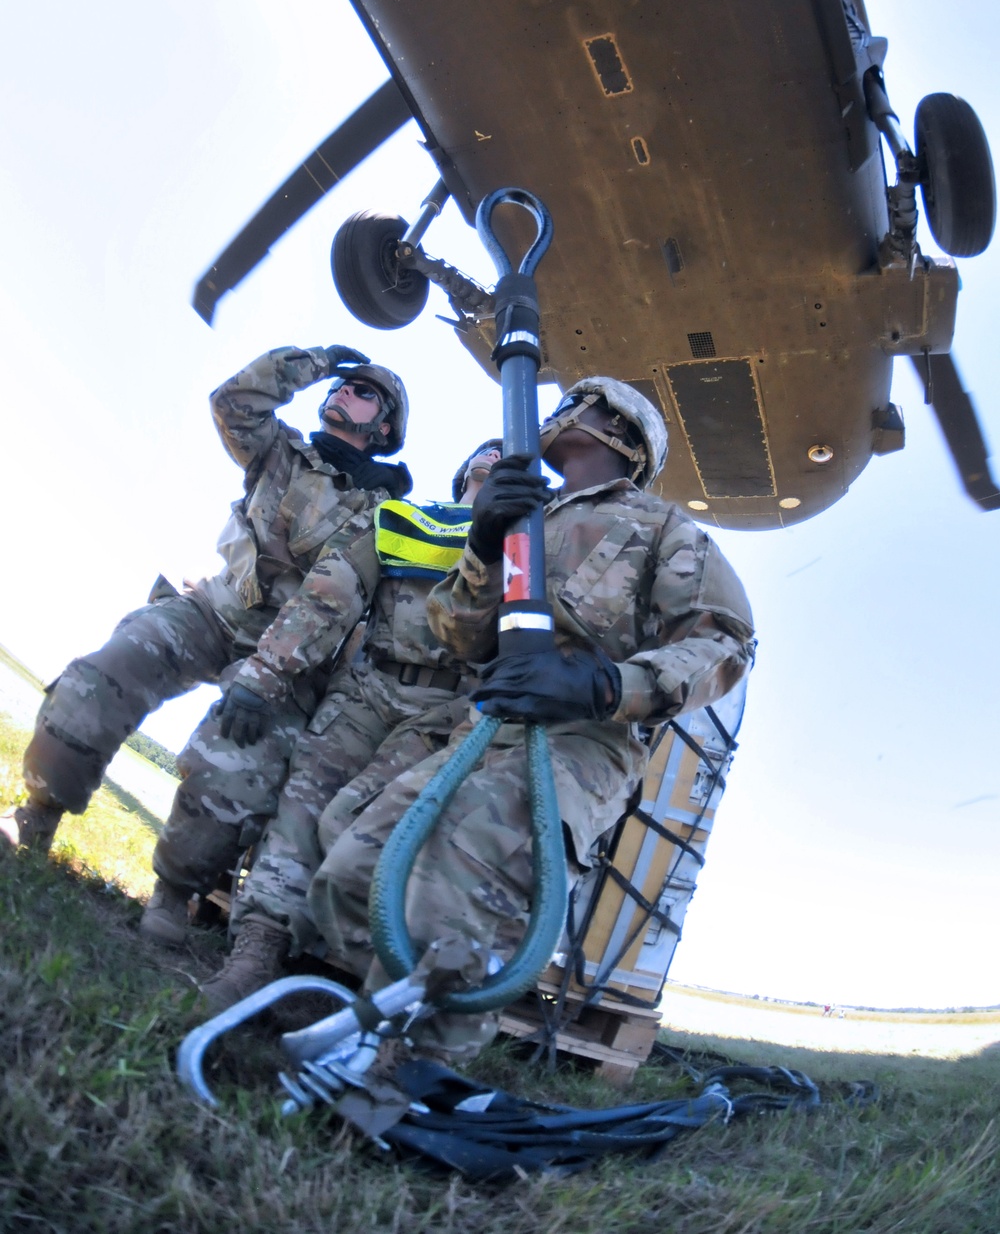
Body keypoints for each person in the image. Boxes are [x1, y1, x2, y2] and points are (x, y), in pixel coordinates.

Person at [309, 377, 755, 1068]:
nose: (557, 411)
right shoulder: (526, 514)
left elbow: (725, 643)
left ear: (619, 428)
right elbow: (459, 637)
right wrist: (485, 543)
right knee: (352, 869)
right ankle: (383, 1023)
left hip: (581, 739)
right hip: (489, 723)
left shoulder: (665, 529)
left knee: (460, 879)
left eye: (581, 401)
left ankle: (407, 1077)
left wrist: (607, 682)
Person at [1, 346, 410, 866]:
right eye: (342, 386)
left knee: (236, 768)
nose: (344, 391)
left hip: (288, 660)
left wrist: (265, 678)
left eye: (364, 392)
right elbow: (235, 401)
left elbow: (329, 601)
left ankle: (176, 896)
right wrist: (316, 362)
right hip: (215, 611)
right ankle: (37, 815)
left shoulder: (383, 512)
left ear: (385, 427)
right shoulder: (281, 451)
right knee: (105, 674)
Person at [195, 440, 503, 1009]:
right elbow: (328, 596)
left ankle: (348, 981)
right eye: (487, 452)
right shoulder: (401, 520)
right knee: (298, 810)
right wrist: (265, 673)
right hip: (365, 691)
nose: (496, 457)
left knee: (360, 826)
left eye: (508, 457)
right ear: (464, 471)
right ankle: (256, 953)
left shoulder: (534, 546)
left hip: (449, 712)